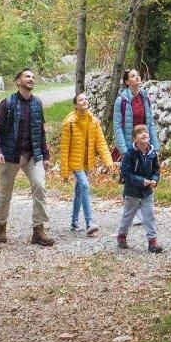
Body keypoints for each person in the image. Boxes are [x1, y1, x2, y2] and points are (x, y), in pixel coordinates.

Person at [0, 68, 52, 246]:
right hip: (10, 155)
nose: (31, 79)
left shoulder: (37, 103)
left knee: (40, 186)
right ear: (18, 81)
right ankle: (1, 226)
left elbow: (40, 130)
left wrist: (45, 155)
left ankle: (38, 231)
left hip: (32, 155)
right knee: (5, 193)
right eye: (27, 76)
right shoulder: (7, 103)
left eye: (32, 77)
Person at [53, 91, 115, 237]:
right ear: (76, 105)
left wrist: (108, 162)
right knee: (85, 186)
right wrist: (64, 170)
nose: (84, 101)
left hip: (87, 161)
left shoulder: (93, 121)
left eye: (86, 99)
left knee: (79, 190)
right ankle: (90, 223)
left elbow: (101, 143)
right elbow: (64, 148)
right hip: (75, 162)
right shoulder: (70, 122)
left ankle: (74, 222)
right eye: (81, 99)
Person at [116, 124, 161, 253]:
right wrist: (142, 181)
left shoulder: (152, 153)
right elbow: (126, 174)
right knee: (128, 216)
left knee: (149, 216)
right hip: (132, 192)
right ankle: (122, 236)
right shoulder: (130, 153)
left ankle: (152, 242)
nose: (144, 134)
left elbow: (156, 170)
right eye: (140, 133)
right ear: (135, 139)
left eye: (146, 132)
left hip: (147, 192)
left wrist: (154, 180)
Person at [110, 67, 160, 156]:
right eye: (133, 76)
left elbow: (150, 122)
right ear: (127, 82)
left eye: (137, 75)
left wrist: (155, 146)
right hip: (129, 144)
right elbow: (117, 126)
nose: (137, 77)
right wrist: (124, 150)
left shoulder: (145, 98)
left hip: (144, 143)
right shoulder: (121, 100)